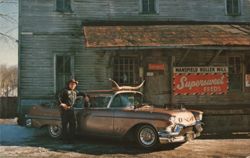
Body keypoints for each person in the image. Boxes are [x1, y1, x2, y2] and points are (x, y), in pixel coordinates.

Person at [58, 79, 88, 143]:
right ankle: (64, 140)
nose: (73, 85)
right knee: (64, 125)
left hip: (71, 109)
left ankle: (71, 139)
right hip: (64, 110)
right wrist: (61, 104)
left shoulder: (75, 92)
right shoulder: (64, 91)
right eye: (71, 84)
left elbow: (82, 93)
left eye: (74, 84)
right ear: (68, 84)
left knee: (73, 125)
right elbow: (58, 97)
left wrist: (85, 96)